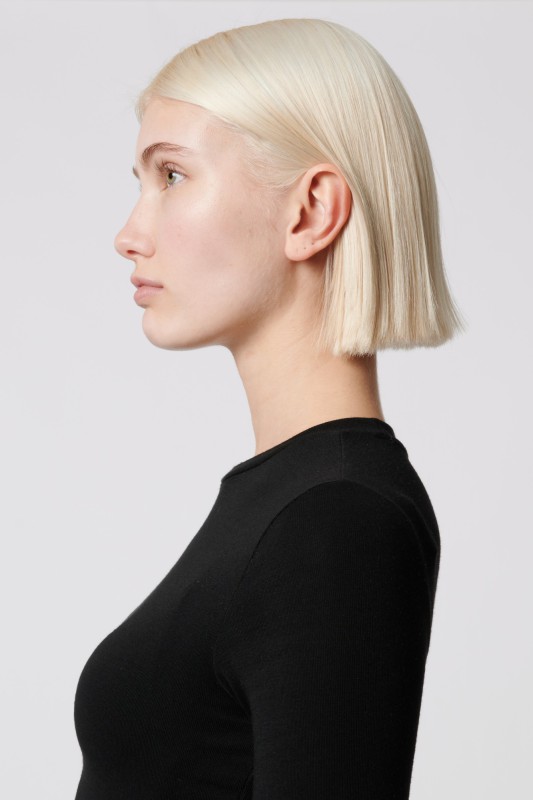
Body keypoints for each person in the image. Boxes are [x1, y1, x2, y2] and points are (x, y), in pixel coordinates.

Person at [73, 17, 465, 799]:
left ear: (310, 212)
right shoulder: (296, 501)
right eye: (140, 182)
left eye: (172, 176)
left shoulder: (336, 519)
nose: (128, 235)